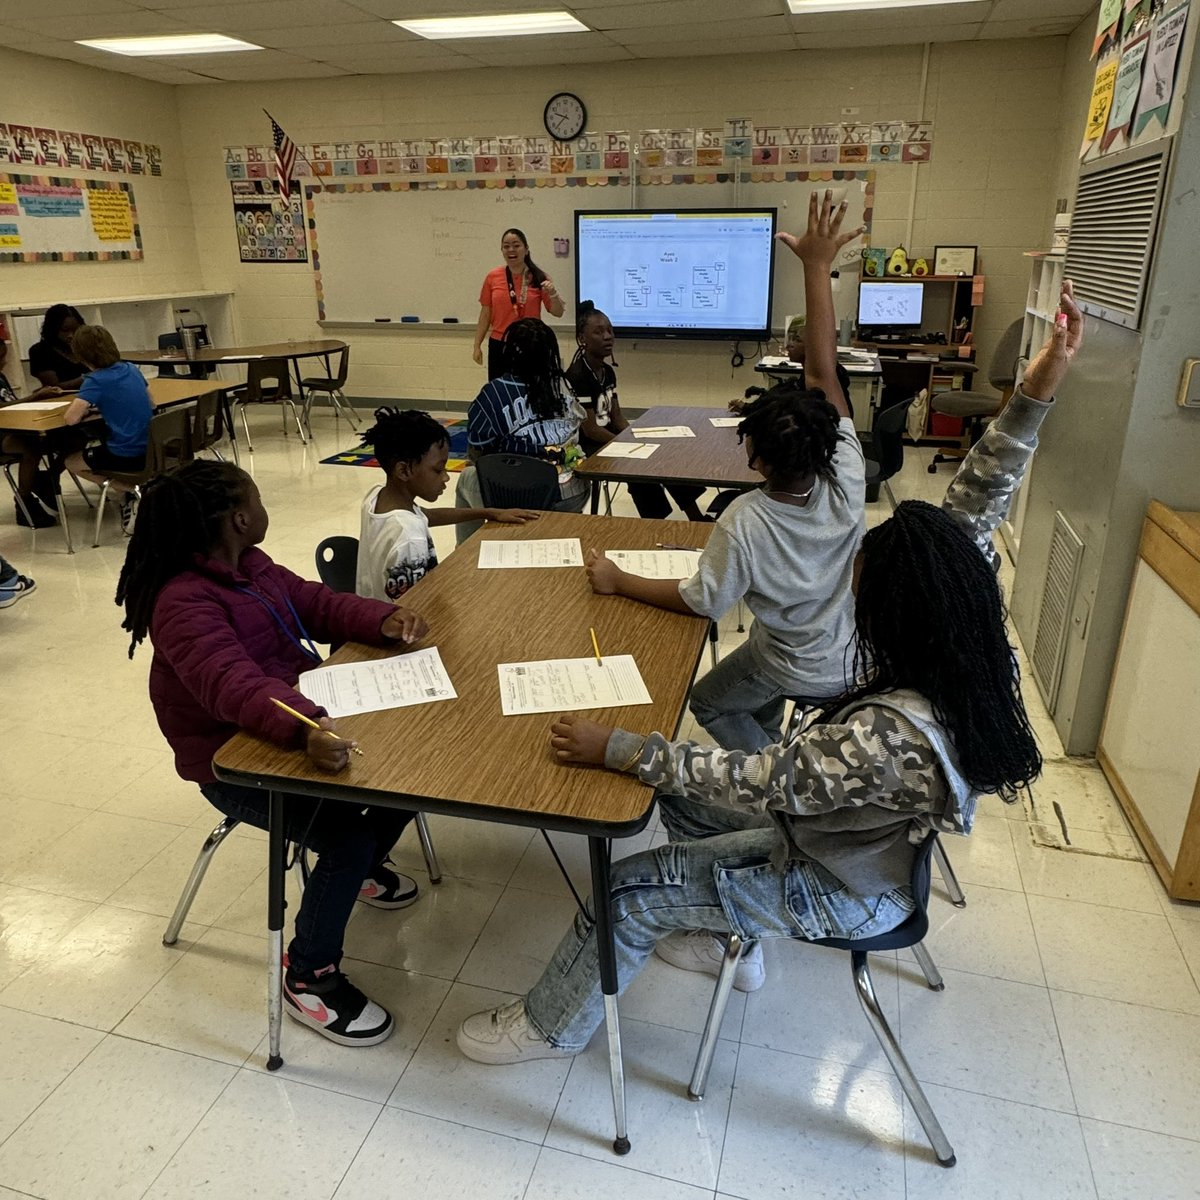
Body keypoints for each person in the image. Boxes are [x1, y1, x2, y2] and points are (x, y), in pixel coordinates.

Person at [454, 203, 1084, 1066]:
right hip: (845, 839)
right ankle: (722, 926)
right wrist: (1039, 386)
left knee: (628, 883)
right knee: (669, 803)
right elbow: (980, 493)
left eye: (867, 567)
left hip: (833, 882)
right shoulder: (943, 637)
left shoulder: (886, 733)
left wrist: (623, 747)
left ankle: (553, 1025)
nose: (853, 567)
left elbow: (760, 779)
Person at [116, 459, 431, 1047]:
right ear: (240, 517)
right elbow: (229, 684)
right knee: (346, 837)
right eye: (258, 500)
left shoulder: (250, 566)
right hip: (230, 754)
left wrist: (386, 619)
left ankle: (356, 876)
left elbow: (314, 602)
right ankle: (309, 973)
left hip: (290, 718)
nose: (266, 508)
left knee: (411, 782)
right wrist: (306, 726)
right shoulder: (183, 601)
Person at [585, 260, 866, 751]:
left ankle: (774, 771)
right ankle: (773, 740)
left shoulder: (746, 520)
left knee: (709, 702)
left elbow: (703, 600)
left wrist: (617, 579)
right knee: (758, 666)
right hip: (851, 652)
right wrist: (817, 268)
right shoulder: (845, 477)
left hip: (793, 661)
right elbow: (824, 370)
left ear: (755, 459)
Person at [356, 406, 540, 601]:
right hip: (402, 623)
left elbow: (423, 515)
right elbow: (414, 611)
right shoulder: (410, 539)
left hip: (371, 612)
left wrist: (489, 513)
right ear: (403, 471)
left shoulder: (378, 497)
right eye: (438, 470)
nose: (446, 477)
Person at [565, 301, 707, 522]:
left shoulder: (608, 372)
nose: (608, 336)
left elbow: (618, 417)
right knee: (637, 467)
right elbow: (591, 430)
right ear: (582, 339)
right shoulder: (577, 375)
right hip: (589, 445)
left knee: (661, 453)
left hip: (610, 438)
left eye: (610, 330)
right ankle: (654, 524)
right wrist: (627, 445)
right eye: (599, 332)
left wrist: (637, 437)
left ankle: (697, 517)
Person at [455, 318, 588, 544]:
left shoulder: (493, 393)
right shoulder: (567, 386)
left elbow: (478, 454)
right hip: (572, 495)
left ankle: (466, 553)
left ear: (508, 353)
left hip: (516, 499)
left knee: (468, 476)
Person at [61, 325, 152, 533]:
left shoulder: (95, 381)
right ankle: (128, 496)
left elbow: (70, 419)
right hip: (149, 446)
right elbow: (152, 403)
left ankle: (132, 490)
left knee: (71, 462)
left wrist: (88, 411)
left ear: (80, 354)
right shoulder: (130, 368)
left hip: (125, 452)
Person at [473, 228, 565, 379]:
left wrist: (553, 294)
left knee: (532, 391)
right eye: (506, 246)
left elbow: (558, 312)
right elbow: (485, 313)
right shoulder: (493, 277)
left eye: (516, 245)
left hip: (530, 344)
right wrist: (477, 345)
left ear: (526, 249)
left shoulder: (539, 276)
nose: (511, 250)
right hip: (500, 343)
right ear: (502, 250)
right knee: (501, 392)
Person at [0, 336, 67, 528]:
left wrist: (38, 396)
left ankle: (46, 479)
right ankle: (24, 500)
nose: (4, 362)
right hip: (2, 434)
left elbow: (10, 404)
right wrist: (33, 397)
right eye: (0, 358)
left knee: (64, 437)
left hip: (13, 426)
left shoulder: (1, 376)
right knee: (31, 447)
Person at [28, 304, 88, 391]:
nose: (71, 335)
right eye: (65, 330)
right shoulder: (40, 351)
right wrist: (86, 379)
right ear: (53, 329)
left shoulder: (85, 345)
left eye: (75, 330)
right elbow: (53, 387)